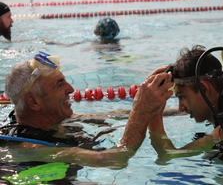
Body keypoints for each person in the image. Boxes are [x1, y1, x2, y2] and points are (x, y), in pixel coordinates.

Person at [1, 51, 173, 168]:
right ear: (34, 102)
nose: (70, 89)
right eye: (59, 84)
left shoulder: (58, 121)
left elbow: (117, 116)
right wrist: (141, 111)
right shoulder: (27, 146)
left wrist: (158, 102)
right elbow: (114, 159)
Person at [146, 45, 223, 163]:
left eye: (182, 96)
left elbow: (168, 155)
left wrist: (151, 110)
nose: (181, 107)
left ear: (203, 88)